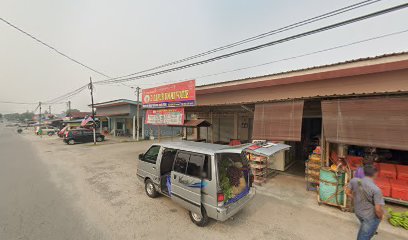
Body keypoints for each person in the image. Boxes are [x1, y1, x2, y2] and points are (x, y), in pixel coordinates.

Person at [346, 165, 385, 240]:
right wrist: (380, 216)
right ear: (375, 174)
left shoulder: (354, 180)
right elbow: (377, 209)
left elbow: (347, 192)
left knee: (366, 232)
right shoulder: (376, 190)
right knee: (364, 237)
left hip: (358, 212)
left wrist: (355, 198)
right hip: (369, 217)